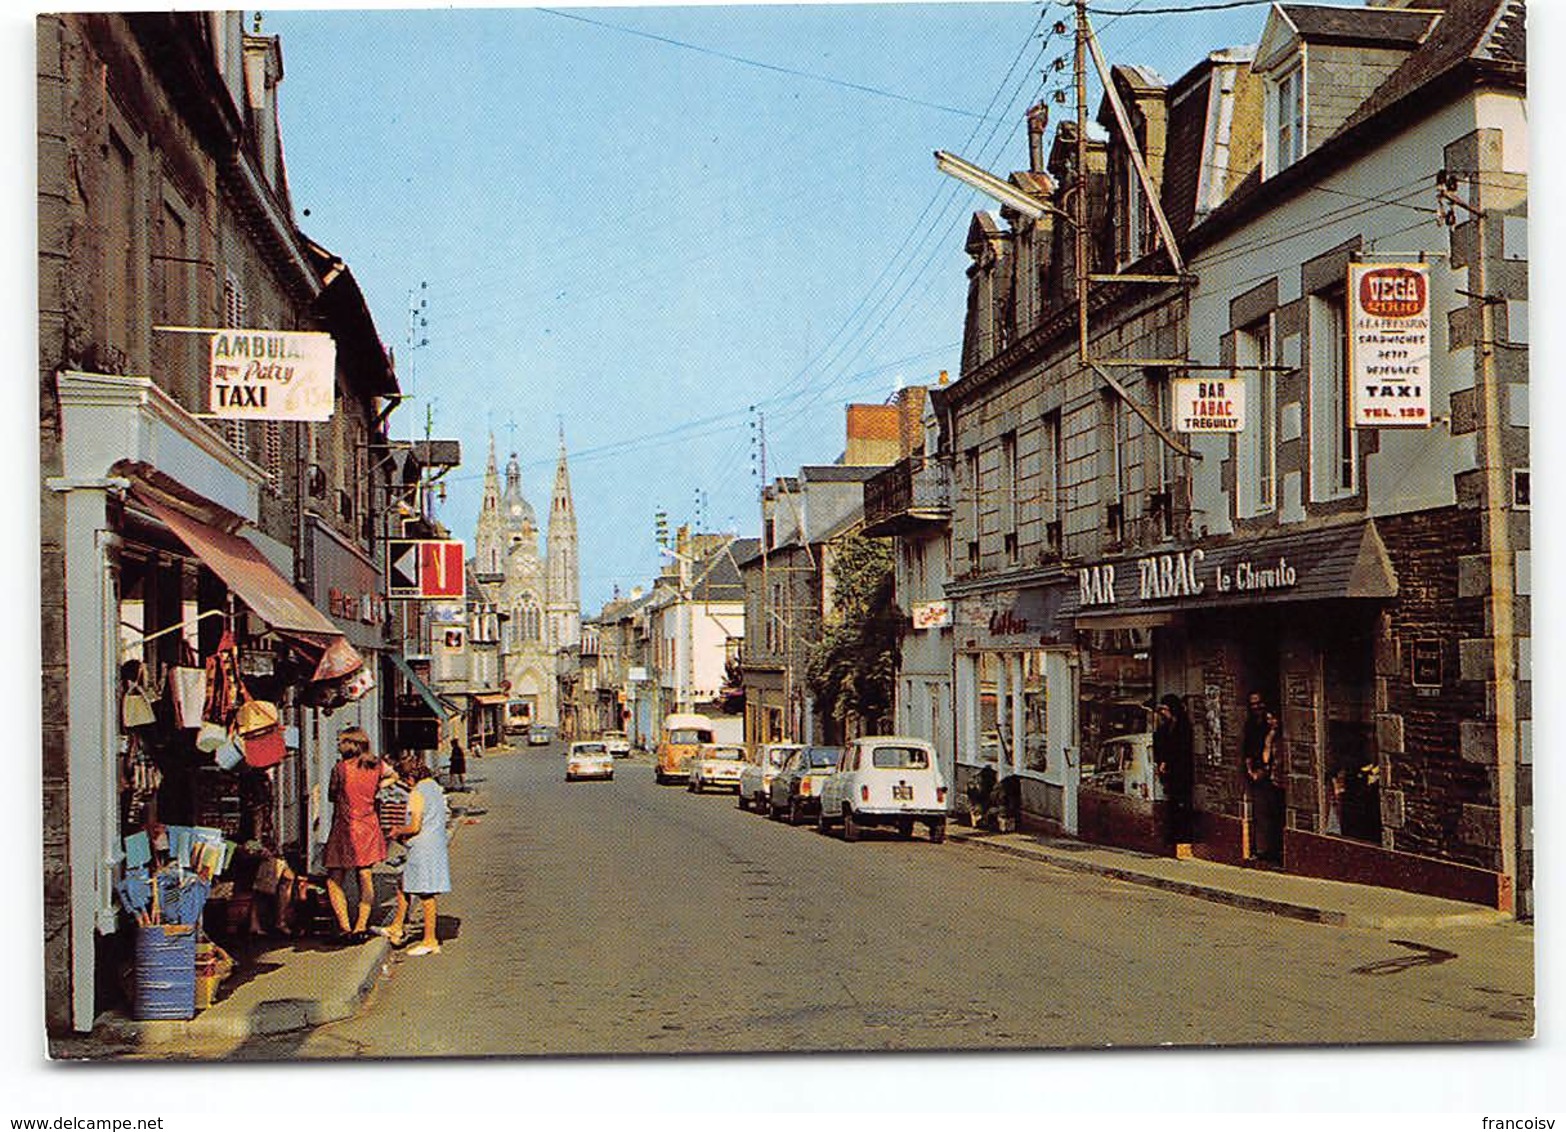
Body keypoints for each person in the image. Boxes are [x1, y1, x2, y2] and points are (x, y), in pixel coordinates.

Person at [323, 727, 396, 942]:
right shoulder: (376, 765)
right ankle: (361, 926)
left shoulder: (340, 768)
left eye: (341, 741)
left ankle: (345, 927)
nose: (338, 745)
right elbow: (394, 775)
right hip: (368, 825)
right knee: (364, 876)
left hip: (345, 827)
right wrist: (377, 788)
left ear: (351, 744)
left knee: (334, 879)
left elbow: (331, 795)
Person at [376, 751, 450, 956]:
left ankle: (430, 940)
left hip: (422, 847)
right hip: (434, 844)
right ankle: (397, 926)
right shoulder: (434, 786)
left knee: (426, 894)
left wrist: (397, 830)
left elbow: (415, 826)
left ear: (410, 778)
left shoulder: (417, 793)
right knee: (403, 884)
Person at [1243, 694, 1283, 863]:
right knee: (1262, 813)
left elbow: (1270, 758)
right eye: (1253, 704)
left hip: (1275, 777)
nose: (1256, 707)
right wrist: (1251, 769)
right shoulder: (1251, 725)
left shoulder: (1279, 734)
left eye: (1259, 703)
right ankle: (1264, 849)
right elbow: (1248, 749)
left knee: (1275, 813)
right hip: (1261, 774)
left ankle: (1276, 850)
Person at [1153, 693, 1195, 849]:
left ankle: (1183, 836)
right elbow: (1160, 744)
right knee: (1173, 805)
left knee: (1182, 805)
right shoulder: (1165, 728)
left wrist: (1168, 762)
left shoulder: (1183, 727)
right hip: (1171, 775)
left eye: (1164, 709)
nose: (1162, 713)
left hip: (1181, 773)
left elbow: (1181, 750)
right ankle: (1173, 836)